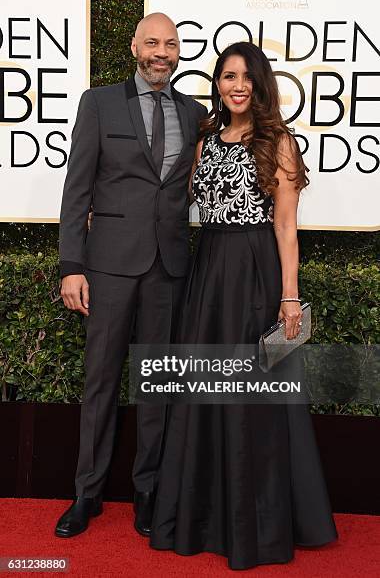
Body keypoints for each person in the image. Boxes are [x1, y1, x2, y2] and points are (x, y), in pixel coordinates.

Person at [149, 42, 338, 570]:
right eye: (228, 76)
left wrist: (290, 296)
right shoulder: (206, 136)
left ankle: (258, 522)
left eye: (246, 78)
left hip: (254, 272)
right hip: (207, 270)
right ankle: (203, 514)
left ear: (260, 85)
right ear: (217, 82)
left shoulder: (277, 140)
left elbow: (284, 224)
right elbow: (178, 200)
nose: (237, 86)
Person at [55, 13, 207, 538]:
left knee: (155, 384)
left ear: (179, 51)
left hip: (169, 269)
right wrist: (71, 265)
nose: (162, 52)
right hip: (108, 267)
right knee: (100, 382)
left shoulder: (195, 113)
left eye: (171, 43)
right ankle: (87, 494)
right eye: (152, 42)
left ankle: (149, 490)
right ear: (134, 46)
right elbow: (77, 191)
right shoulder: (97, 103)